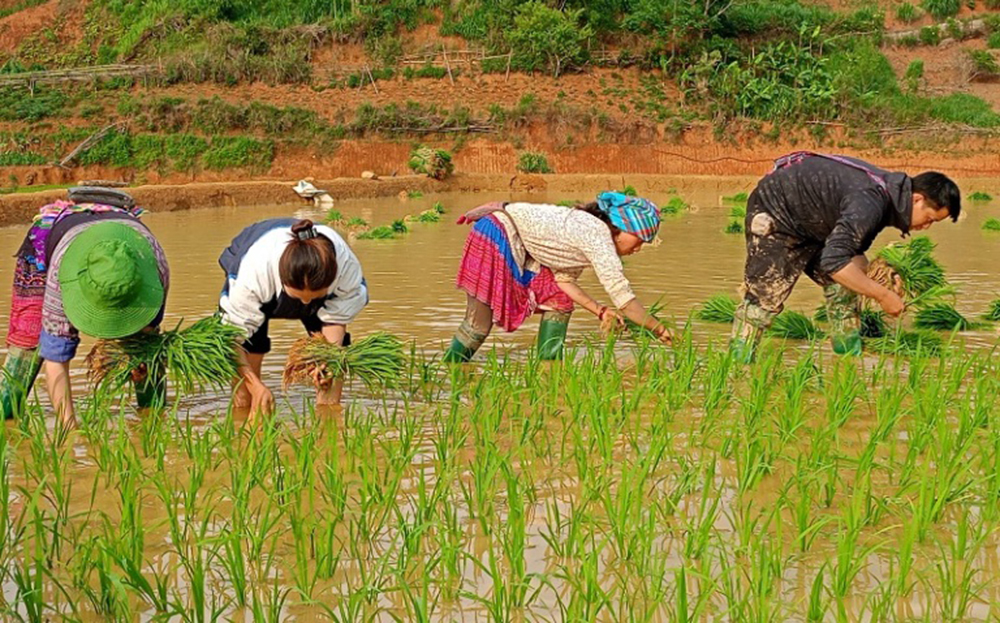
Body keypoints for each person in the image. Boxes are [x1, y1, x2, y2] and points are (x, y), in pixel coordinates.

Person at [730, 151, 961, 361]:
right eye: (929, 219)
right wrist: (882, 296)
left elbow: (851, 257)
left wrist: (879, 278)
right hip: (777, 212)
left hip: (814, 221)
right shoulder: (870, 202)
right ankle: (738, 367)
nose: (927, 227)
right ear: (917, 199)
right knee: (764, 298)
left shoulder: (886, 199)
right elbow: (834, 261)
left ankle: (848, 360)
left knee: (844, 287)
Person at [0, 187, 170, 428]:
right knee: (29, 344)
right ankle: (5, 416)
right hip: (47, 245)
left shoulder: (153, 263)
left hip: (125, 245)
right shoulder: (61, 274)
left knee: (144, 349)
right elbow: (55, 357)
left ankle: (153, 418)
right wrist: (69, 430)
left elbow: (148, 332)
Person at [445, 192, 672, 362]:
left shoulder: (589, 235)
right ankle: (451, 369)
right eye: (639, 240)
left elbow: (563, 281)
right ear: (621, 227)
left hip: (514, 240)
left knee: (558, 301)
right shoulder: (598, 235)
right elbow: (624, 298)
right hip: (496, 235)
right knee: (479, 324)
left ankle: (549, 366)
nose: (638, 248)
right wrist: (660, 329)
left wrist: (600, 311)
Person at [218, 218, 367, 415]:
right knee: (250, 360)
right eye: (298, 297)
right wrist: (255, 386)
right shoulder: (253, 274)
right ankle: (246, 427)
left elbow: (336, 320)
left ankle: (330, 426)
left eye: (312, 298)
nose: (305, 304)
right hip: (258, 279)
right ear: (282, 280)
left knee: (330, 370)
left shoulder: (345, 266)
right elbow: (232, 341)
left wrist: (327, 359)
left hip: (322, 292)